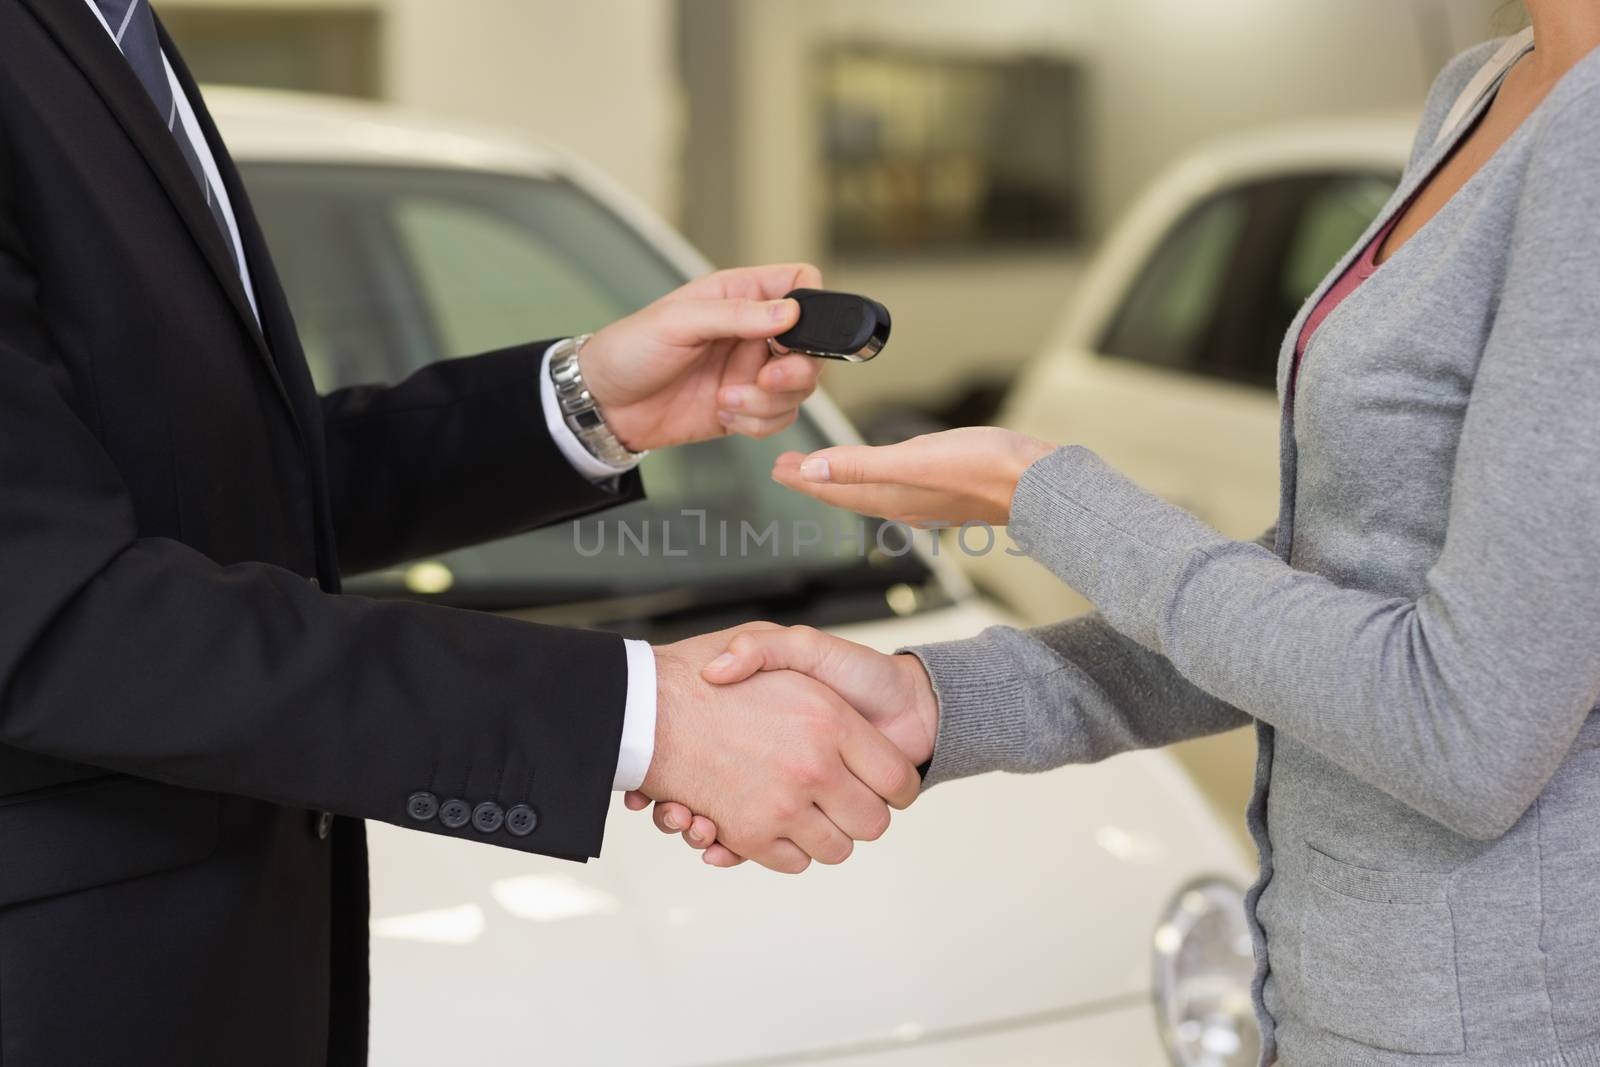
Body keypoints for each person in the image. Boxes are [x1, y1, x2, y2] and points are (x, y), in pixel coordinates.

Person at [639, 6, 1600, 1065]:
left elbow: (1465, 732)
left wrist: (1040, 493)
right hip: (1331, 1007)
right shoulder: (1484, 85)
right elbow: (1328, 600)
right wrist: (932, 701)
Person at [0, 1, 921, 1063]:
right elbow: (51, 610)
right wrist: (638, 716)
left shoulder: (104, 30)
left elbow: (231, 491)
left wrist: (586, 401)